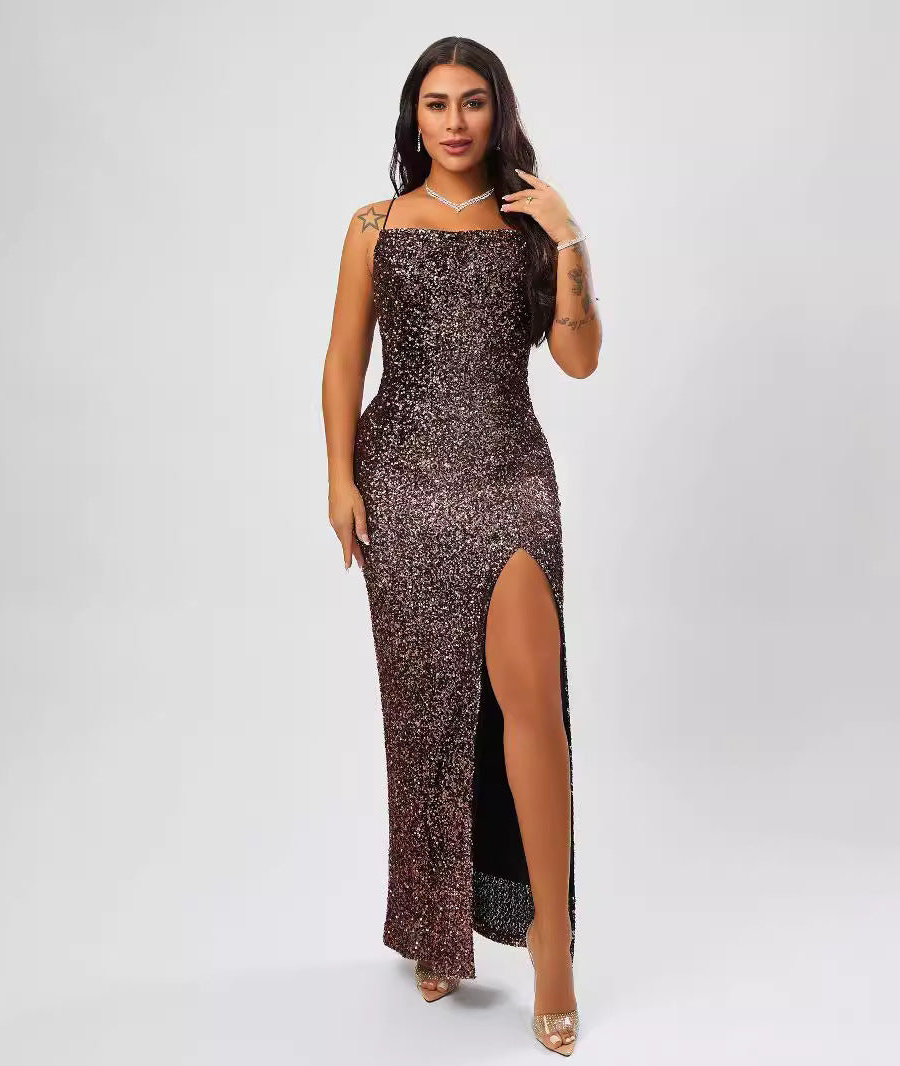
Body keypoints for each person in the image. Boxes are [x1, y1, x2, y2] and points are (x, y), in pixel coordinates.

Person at [320, 36, 600, 1055]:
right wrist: (341, 479)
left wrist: (569, 239)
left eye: (472, 101)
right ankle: (434, 926)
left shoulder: (531, 224)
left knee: (532, 704)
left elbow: (578, 360)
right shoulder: (373, 227)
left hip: (508, 473)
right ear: (415, 116)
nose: (453, 120)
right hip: (401, 481)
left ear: (497, 112)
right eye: (436, 103)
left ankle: (552, 944)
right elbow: (343, 360)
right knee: (426, 714)